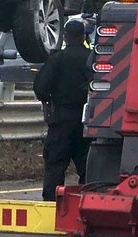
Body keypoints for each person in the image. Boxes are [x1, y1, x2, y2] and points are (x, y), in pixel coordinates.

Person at [33, 18, 94, 201]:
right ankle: (87, 202)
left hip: (61, 119)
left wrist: (50, 100)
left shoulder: (57, 59)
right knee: (87, 165)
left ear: (65, 37)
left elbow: (41, 88)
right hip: (87, 120)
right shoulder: (91, 59)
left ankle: (52, 204)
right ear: (83, 36)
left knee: (55, 164)